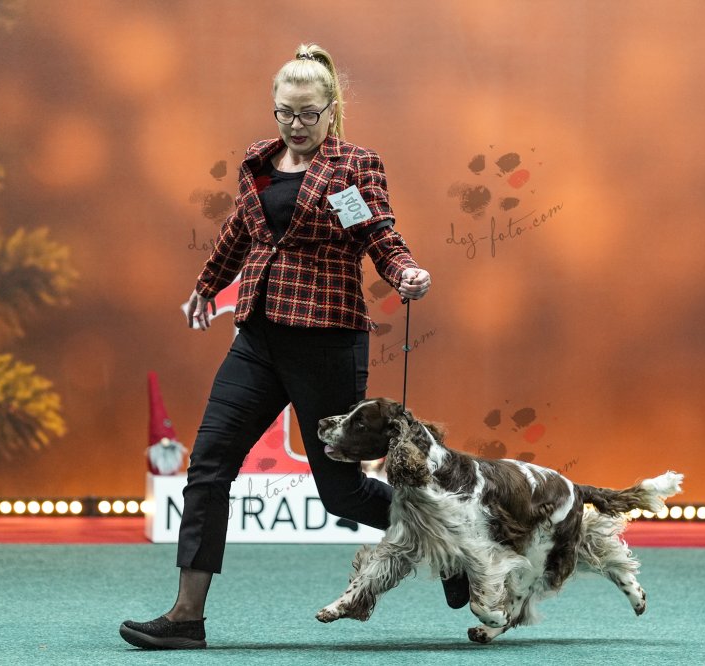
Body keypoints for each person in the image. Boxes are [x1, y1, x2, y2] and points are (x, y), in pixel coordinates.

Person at [120, 44, 459, 650]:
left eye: (307, 114)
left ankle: (450, 543)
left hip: (326, 342)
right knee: (209, 466)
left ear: (331, 109)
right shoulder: (258, 162)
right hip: (258, 339)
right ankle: (186, 618)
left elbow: (378, 234)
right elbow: (238, 233)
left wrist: (405, 272)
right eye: (284, 113)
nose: (295, 125)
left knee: (341, 492)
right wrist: (206, 286)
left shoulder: (353, 166)